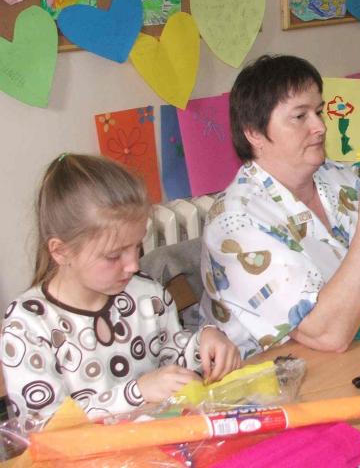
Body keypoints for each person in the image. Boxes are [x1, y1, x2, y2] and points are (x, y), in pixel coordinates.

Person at [200, 55, 360, 358]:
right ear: (254, 133)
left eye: (319, 112)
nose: (320, 127)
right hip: (280, 373)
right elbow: (329, 334)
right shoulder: (235, 221)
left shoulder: (335, 177)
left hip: (357, 349)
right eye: (300, 116)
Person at [0, 154, 241, 424]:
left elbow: (172, 356)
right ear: (61, 251)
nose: (133, 265)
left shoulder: (148, 296)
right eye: (114, 256)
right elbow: (43, 425)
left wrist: (205, 343)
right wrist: (135, 393)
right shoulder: (29, 324)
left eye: (137, 247)